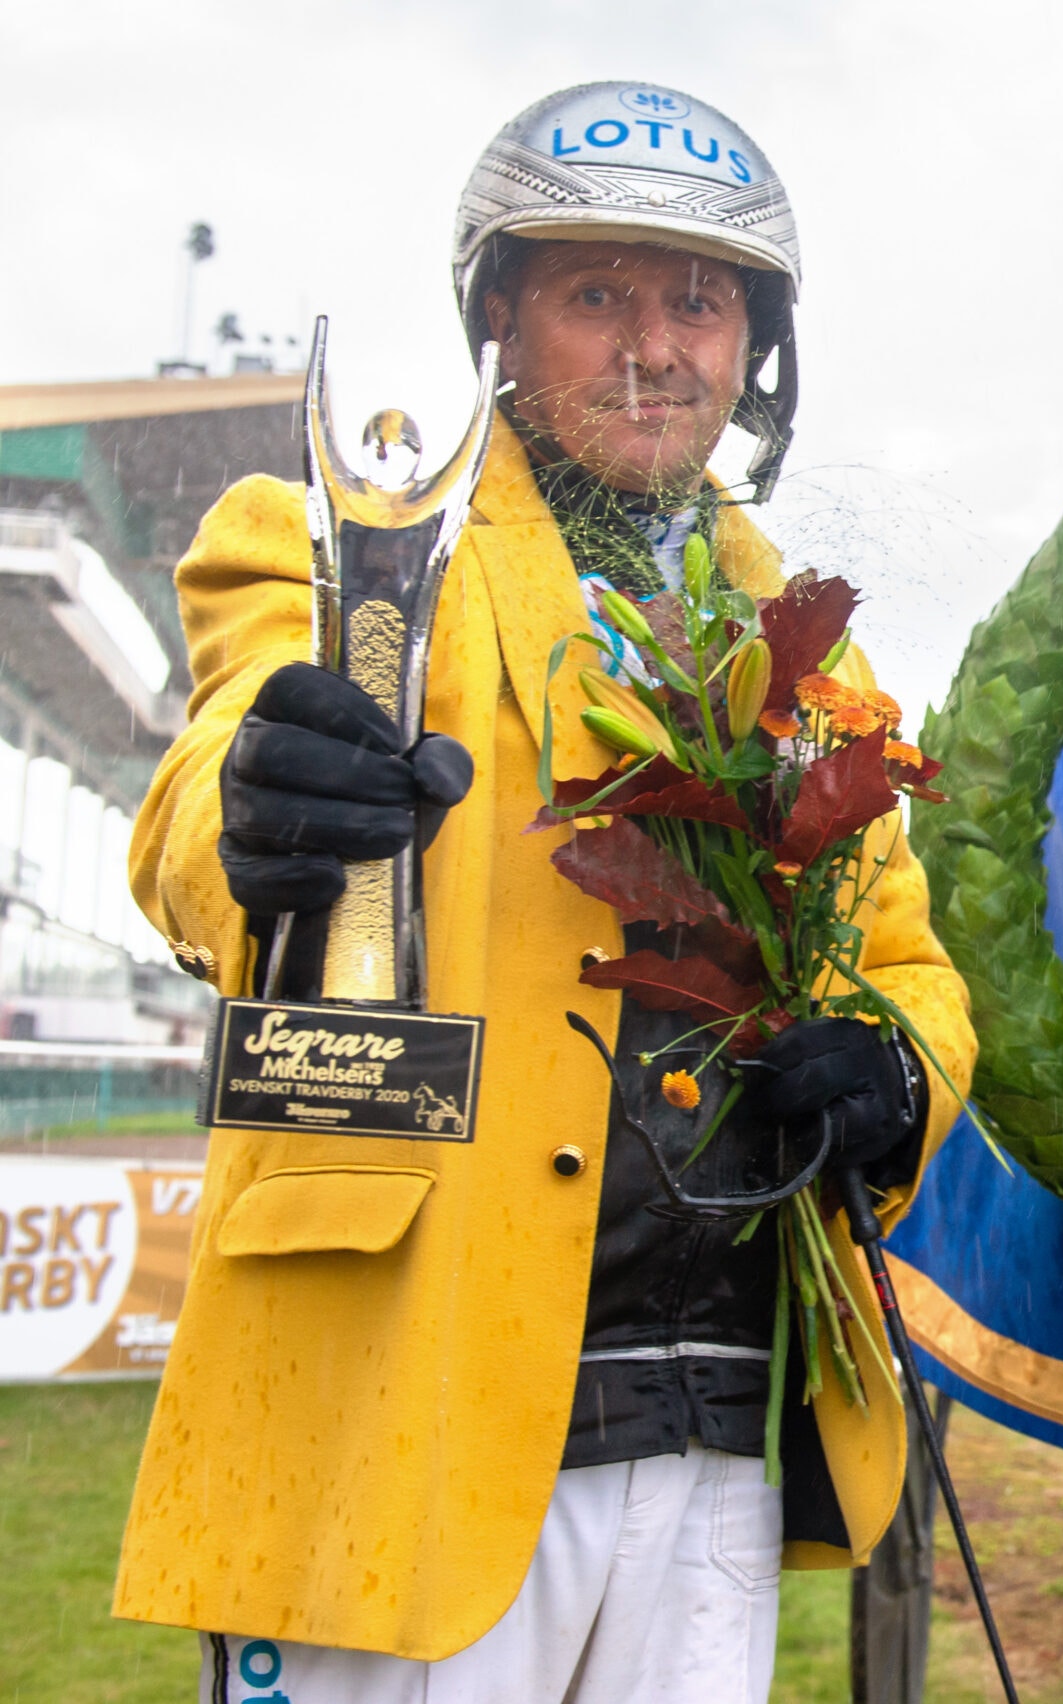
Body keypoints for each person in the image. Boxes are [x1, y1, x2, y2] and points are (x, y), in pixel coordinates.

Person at [115, 82, 975, 1704]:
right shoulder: (336, 536)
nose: (656, 346)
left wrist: (893, 1073)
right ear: (497, 315)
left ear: (753, 346)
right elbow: (201, 792)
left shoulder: (808, 639)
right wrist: (247, 815)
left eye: (701, 300)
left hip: (723, 1421)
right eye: (597, 294)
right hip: (401, 1409)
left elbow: (909, 964)